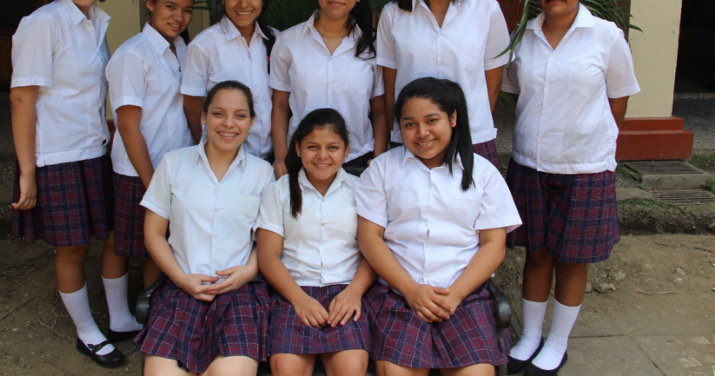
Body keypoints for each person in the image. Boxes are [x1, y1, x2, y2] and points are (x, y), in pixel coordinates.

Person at [502, 0, 640, 376]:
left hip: (584, 167)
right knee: (537, 253)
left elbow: (618, 98)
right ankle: (530, 335)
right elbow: (514, 91)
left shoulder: (606, 36)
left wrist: (597, 141)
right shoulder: (524, 36)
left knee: (571, 257)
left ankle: (557, 342)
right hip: (530, 162)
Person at [10, 0, 136, 367]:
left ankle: (119, 317)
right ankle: (87, 332)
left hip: (94, 148)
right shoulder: (43, 23)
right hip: (57, 154)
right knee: (74, 246)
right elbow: (22, 99)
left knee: (114, 235)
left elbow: (89, 93)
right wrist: (28, 171)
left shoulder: (95, 22)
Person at [355, 77, 522, 375]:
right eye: (409, 124)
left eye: (432, 120)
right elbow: (370, 238)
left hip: (465, 296)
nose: (422, 133)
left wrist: (455, 295)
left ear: (453, 118)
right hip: (398, 296)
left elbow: (493, 245)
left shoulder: (483, 173)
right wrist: (410, 291)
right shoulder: (382, 169)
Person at [135, 80, 275, 376]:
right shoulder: (173, 163)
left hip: (239, 295)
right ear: (203, 117)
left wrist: (248, 272)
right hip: (180, 290)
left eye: (240, 115)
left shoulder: (262, 173)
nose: (229, 124)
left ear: (251, 122)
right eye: (218, 113)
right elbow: (153, 233)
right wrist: (181, 279)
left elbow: (267, 242)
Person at [377, 0, 511, 166]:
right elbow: (390, 89)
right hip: (412, 140)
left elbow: (492, 85)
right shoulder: (392, 15)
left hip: (472, 138)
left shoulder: (487, 10)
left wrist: (467, 126)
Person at [256, 108, 377, 376]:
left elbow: (375, 251)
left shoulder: (362, 190)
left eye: (332, 147)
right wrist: (299, 299)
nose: (323, 156)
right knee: (286, 368)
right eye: (313, 147)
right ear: (298, 148)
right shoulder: (279, 191)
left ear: (346, 150)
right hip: (292, 291)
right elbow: (267, 255)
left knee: (351, 368)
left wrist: (354, 292)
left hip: (346, 291)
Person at [105, 0, 197, 289]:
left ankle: (155, 311)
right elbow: (127, 127)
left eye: (187, 10)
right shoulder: (134, 54)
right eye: (170, 7)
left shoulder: (183, 48)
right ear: (150, 3)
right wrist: (152, 185)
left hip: (176, 166)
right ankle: (118, 313)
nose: (178, 17)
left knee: (160, 248)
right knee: (122, 243)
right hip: (140, 169)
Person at [270, 0, 386, 178]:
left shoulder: (373, 45)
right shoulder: (288, 41)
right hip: (302, 158)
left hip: (358, 160)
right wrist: (281, 156)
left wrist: (379, 156)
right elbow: (281, 105)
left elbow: (380, 110)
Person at [182, 0, 277, 159]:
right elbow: (192, 108)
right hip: (224, 159)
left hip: (273, 158)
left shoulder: (277, 41)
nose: (243, 4)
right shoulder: (203, 46)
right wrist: (212, 154)